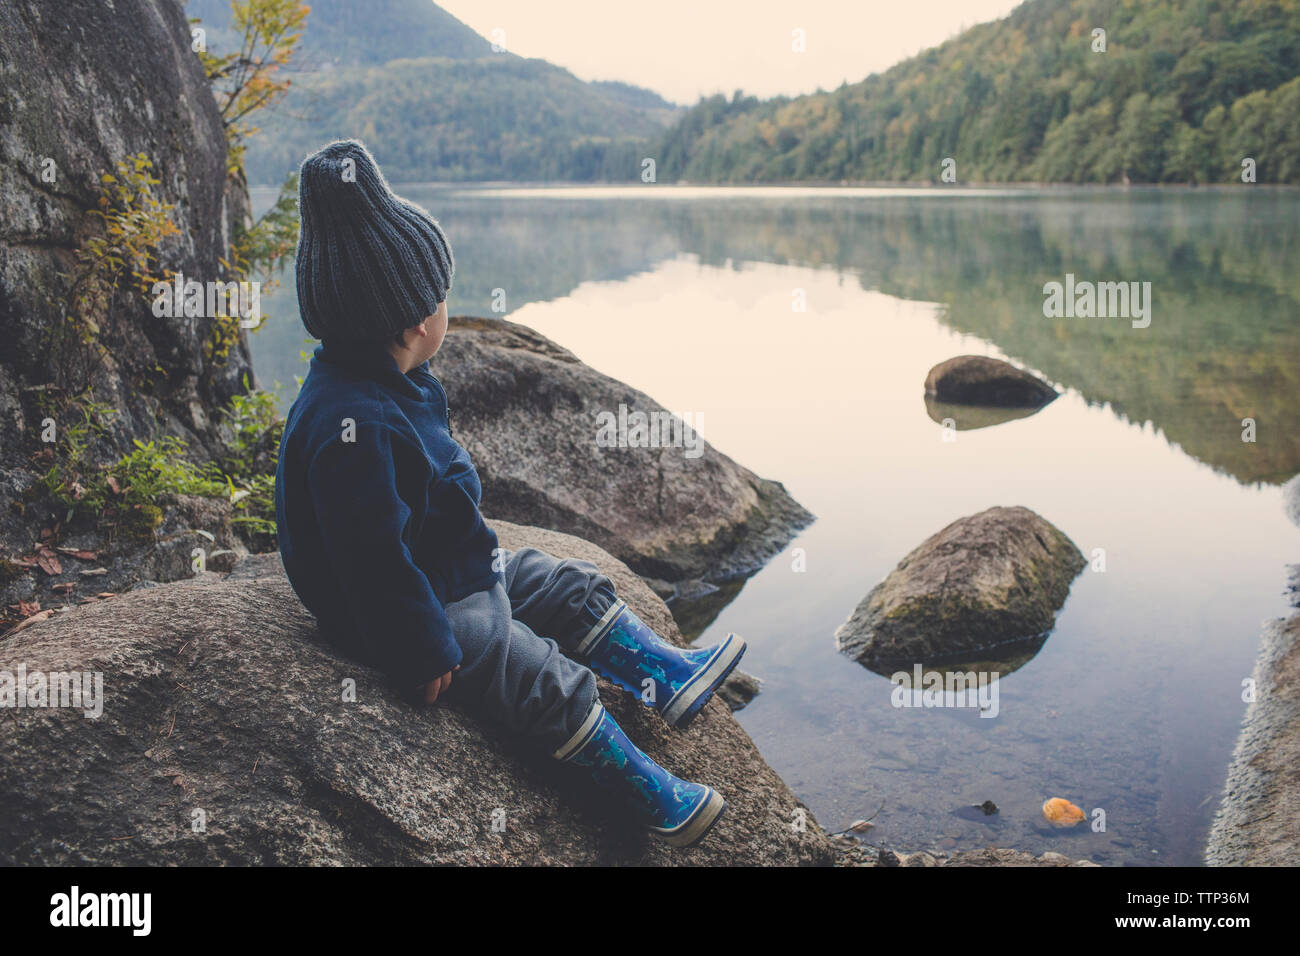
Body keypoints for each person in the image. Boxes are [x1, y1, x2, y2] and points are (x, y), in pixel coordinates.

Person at [273, 140, 746, 847]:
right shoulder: (353, 422)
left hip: (442, 567)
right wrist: (420, 646)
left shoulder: (384, 379)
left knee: (559, 582)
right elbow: (368, 558)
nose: (445, 305)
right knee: (522, 666)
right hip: (403, 607)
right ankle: (650, 797)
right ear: (411, 322)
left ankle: (663, 677)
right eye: (440, 295)